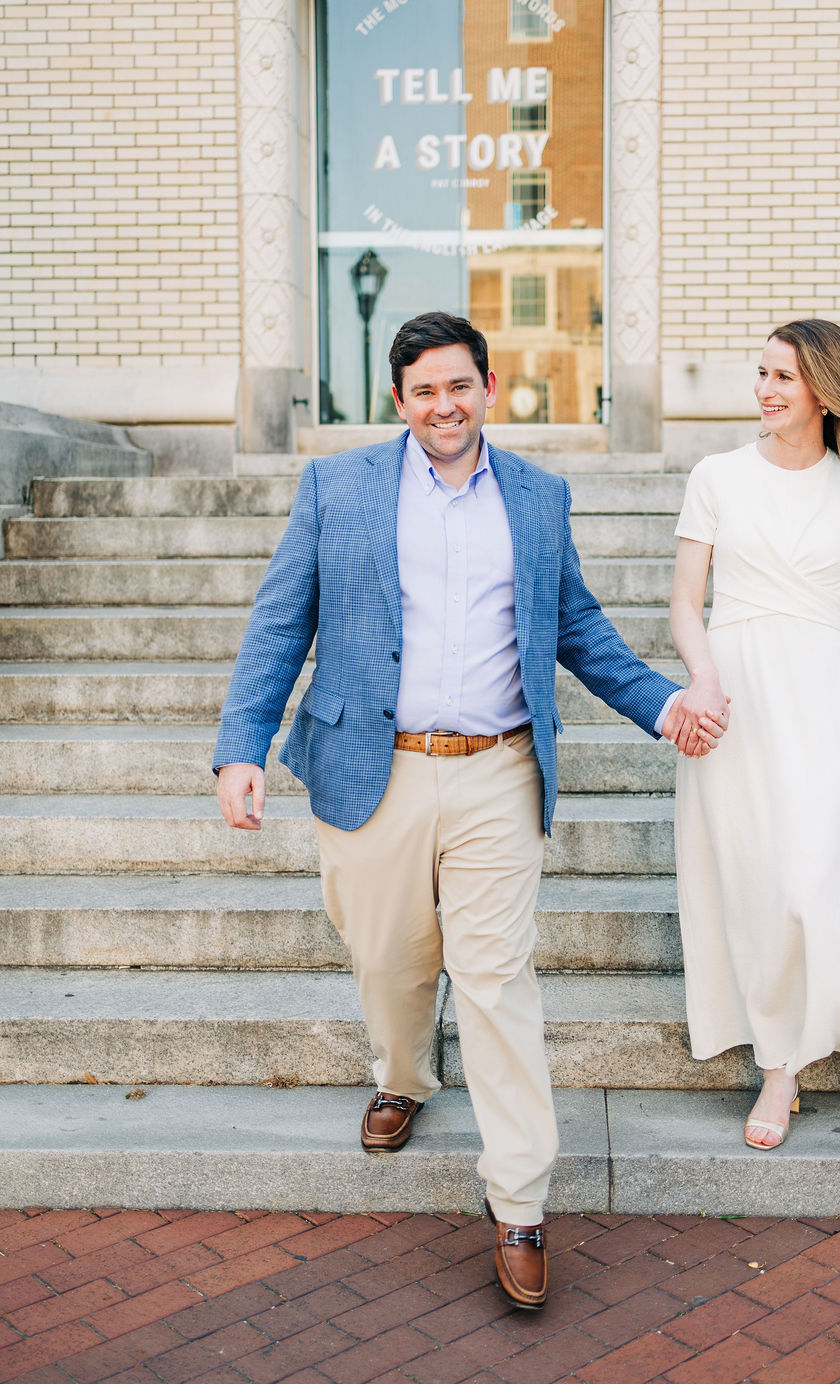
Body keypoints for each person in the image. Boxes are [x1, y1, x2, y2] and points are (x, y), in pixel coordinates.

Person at [213, 311, 708, 1308]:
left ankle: (520, 1200)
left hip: (495, 770)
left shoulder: (536, 496)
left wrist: (662, 705)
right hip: (372, 765)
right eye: (423, 390)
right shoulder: (335, 488)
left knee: (496, 982)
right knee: (388, 961)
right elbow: (279, 623)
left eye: (459, 385)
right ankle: (402, 1074)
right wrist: (240, 749)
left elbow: (578, 628)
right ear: (399, 400)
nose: (443, 405)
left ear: (489, 387)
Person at [669, 318, 840, 1152]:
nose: (766, 390)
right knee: (757, 884)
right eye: (762, 373)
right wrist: (704, 679)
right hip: (734, 693)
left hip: (816, 690)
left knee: (816, 876)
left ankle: (836, 1016)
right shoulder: (717, 476)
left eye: (784, 376)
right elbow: (684, 604)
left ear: (824, 388)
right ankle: (782, 1065)